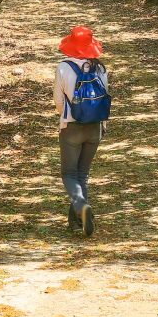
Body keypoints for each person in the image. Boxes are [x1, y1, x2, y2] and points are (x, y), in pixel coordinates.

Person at [56, 25, 110, 236]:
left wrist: (67, 116)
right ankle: (77, 221)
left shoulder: (64, 67)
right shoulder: (100, 68)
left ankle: (81, 207)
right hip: (95, 127)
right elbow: (105, 97)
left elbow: (59, 102)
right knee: (82, 175)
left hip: (72, 126)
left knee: (69, 173)